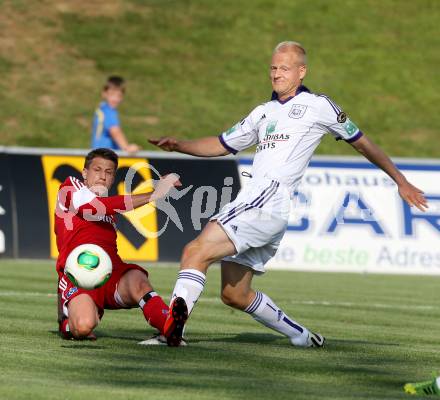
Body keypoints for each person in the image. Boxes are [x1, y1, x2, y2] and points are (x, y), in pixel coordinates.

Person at [149, 41, 428, 347]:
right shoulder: (262, 112)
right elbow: (221, 144)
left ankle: (171, 333)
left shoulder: (319, 106)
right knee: (235, 294)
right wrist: (180, 146)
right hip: (267, 208)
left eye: (284, 68)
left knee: (194, 252)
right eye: (273, 67)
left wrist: (399, 180)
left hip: (266, 199)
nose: (276, 74)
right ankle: (302, 336)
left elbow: (362, 142)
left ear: (301, 72)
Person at [56, 148, 184, 343]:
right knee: (82, 327)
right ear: (84, 173)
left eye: (108, 172)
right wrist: (154, 194)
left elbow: (103, 207)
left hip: (110, 271)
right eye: (97, 170)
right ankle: (67, 320)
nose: (102, 177)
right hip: (81, 274)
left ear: (113, 177)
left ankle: (169, 326)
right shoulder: (70, 186)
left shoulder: (110, 208)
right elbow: (91, 207)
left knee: (137, 279)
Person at [91, 76, 140, 154]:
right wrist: (127, 147)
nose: (115, 99)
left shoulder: (101, 109)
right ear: (104, 94)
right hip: (105, 156)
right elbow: (115, 131)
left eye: (119, 96)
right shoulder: (108, 111)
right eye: (112, 95)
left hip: (98, 154)